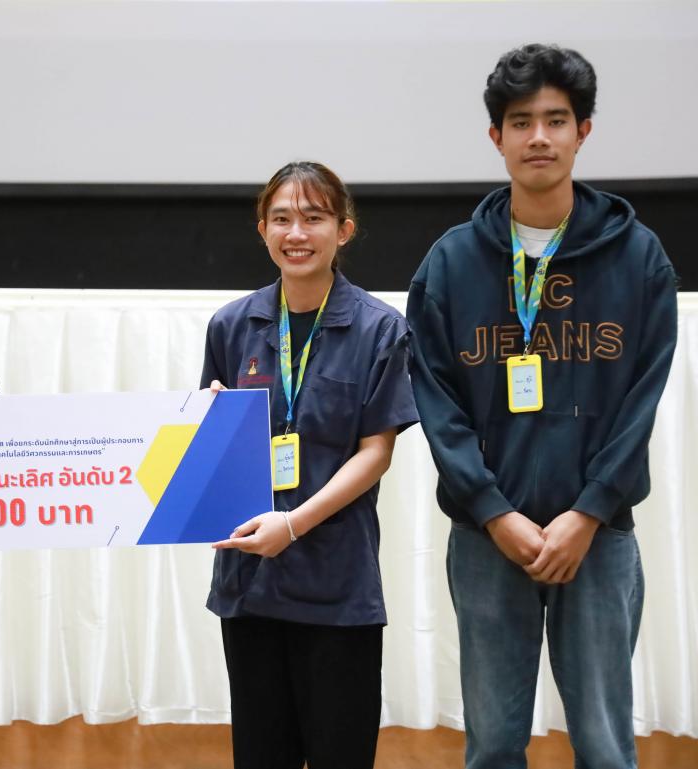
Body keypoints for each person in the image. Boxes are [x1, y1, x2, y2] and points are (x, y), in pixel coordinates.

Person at [406, 44, 677, 768]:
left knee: (605, 748)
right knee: (493, 745)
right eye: (521, 122)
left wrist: (589, 511)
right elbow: (437, 403)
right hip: (489, 538)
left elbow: (642, 400)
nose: (539, 138)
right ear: (495, 136)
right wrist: (494, 512)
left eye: (556, 120)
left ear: (583, 131)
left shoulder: (639, 258)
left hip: (598, 535)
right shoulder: (450, 263)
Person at [201, 161, 419, 769]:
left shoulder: (380, 329)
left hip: (337, 587)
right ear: (262, 230)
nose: (296, 233)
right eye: (281, 219)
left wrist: (293, 525)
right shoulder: (231, 325)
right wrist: (207, 427)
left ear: (343, 230)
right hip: (250, 586)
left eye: (313, 218)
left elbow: (376, 452)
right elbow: (214, 455)